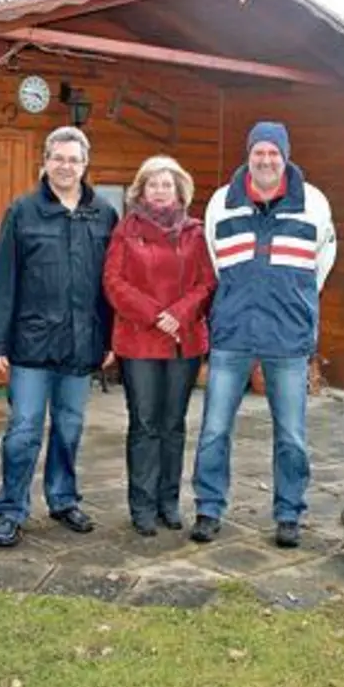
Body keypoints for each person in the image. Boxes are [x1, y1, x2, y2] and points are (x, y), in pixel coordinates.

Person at [190, 120, 336, 548]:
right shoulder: (222, 203)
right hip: (232, 334)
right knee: (214, 428)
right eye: (259, 152)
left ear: (285, 156)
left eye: (274, 153)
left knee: (291, 433)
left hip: (288, 337)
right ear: (248, 155)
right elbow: (216, 261)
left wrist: (295, 302)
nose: (266, 160)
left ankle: (289, 514)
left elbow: (321, 263)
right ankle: (208, 508)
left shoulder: (314, 203)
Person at [0, 125, 118, 548]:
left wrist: (110, 337)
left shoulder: (104, 214)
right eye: (59, 158)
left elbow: (110, 284)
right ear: (45, 162)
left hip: (82, 344)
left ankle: (62, 499)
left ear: (85, 164)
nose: (66, 166)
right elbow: (2, 276)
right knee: (23, 430)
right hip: (32, 345)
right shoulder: (23, 212)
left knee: (70, 428)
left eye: (74, 159)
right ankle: (11, 511)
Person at [101, 155, 217, 536]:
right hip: (140, 341)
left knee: (173, 425)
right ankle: (142, 505)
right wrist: (154, 314)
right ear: (141, 189)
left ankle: (169, 502)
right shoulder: (125, 230)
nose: (160, 190)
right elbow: (114, 282)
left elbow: (207, 283)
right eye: (153, 184)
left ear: (179, 188)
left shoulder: (196, 232)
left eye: (167, 184)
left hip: (183, 341)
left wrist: (179, 313)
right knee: (145, 424)